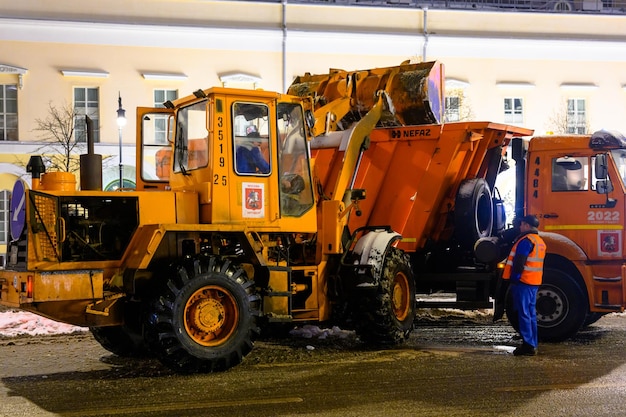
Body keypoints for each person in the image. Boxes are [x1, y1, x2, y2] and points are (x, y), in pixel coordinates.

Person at [502, 214, 547, 356]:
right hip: (534, 282)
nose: (520, 227)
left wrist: (514, 278)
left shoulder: (525, 241)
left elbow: (519, 262)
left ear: (527, 225)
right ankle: (532, 342)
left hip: (523, 282)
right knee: (530, 313)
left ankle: (528, 345)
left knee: (523, 313)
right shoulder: (540, 241)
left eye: (521, 224)